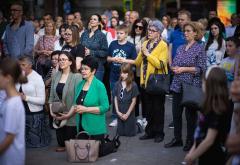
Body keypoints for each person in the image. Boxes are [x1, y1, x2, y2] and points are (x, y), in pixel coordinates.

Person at [164, 22, 207, 151]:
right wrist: (175, 68)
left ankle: (190, 141)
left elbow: (201, 68)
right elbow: (175, 63)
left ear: (195, 33)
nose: (185, 33)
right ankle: (177, 139)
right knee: (176, 114)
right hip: (177, 84)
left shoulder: (199, 48)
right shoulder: (180, 48)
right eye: (185, 31)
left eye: (188, 31)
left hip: (191, 86)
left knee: (190, 117)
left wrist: (183, 69)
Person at [126, 19, 168, 143]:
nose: (149, 32)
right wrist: (123, 60)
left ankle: (159, 133)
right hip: (145, 82)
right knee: (148, 109)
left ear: (159, 33)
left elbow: (160, 64)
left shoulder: (163, 45)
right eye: (149, 29)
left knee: (158, 109)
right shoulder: (145, 43)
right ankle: (149, 132)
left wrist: (148, 54)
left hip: (157, 82)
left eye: (152, 30)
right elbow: (137, 62)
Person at [184, 67, 229, 165]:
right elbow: (199, 132)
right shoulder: (207, 106)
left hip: (213, 157)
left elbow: (209, 140)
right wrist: (192, 151)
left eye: (203, 82)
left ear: (210, 85)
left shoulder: (217, 108)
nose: (202, 85)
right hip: (203, 155)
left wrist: (192, 156)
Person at [60, 56, 109, 141]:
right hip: (81, 127)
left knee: (92, 153)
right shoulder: (80, 84)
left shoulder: (99, 86)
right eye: (82, 69)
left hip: (95, 129)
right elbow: (76, 103)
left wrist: (86, 109)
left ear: (93, 71)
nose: (82, 71)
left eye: (86, 69)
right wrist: (67, 115)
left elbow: (105, 107)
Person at [48, 51, 82, 152]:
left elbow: (77, 100)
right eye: (60, 60)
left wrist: (68, 115)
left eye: (64, 60)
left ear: (71, 62)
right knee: (61, 142)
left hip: (71, 114)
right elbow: (51, 96)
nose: (61, 62)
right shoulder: (56, 75)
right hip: (57, 114)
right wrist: (51, 112)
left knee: (71, 144)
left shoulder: (77, 76)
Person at [16, 55, 51, 148]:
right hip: (20, 113)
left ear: (30, 65)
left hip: (34, 115)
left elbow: (42, 101)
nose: (20, 67)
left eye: (23, 65)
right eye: (19, 65)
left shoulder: (37, 78)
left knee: (35, 144)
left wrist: (25, 98)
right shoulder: (18, 76)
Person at [107, 24, 137, 127]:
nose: (119, 35)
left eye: (121, 33)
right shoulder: (113, 44)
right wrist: (113, 59)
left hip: (125, 76)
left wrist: (125, 60)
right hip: (113, 74)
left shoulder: (130, 46)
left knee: (124, 96)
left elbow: (135, 61)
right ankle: (116, 116)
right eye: (117, 33)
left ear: (126, 34)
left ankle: (126, 114)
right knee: (114, 95)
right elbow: (107, 57)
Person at [0, 58, 27, 165]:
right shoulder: (8, 100)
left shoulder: (13, 104)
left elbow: (10, 137)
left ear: (7, 78)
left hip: (11, 159)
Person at [80, 14, 108, 81]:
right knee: (84, 87)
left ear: (99, 23)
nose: (92, 20)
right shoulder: (84, 34)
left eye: (94, 19)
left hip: (97, 66)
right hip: (85, 65)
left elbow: (105, 52)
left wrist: (91, 52)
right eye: (91, 19)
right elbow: (80, 46)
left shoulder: (102, 36)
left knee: (95, 88)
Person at [114, 63, 139, 136]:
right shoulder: (117, 84)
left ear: (129, 73)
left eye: (125, 73)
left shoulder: (133, 85)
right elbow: (115, 98)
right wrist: (118, 112)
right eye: (121, 72)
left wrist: (127, 114)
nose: (122, 75)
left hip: (129, 110)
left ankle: (138, 126)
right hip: (120, 110)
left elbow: (134, 101)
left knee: (130, 133)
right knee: (121, 133)